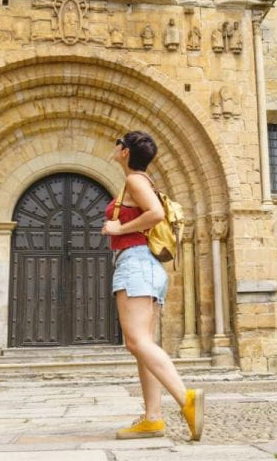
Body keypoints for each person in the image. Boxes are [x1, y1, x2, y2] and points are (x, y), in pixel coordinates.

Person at [102, 131, 204, 441]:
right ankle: (152, 418)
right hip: (147, 267)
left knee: (136, 342)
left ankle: (186, 398)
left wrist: (119, 227)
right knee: (142, 345)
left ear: (125, 152)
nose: (114, 146)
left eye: (117, 142)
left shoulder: (135, 180)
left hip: (135, 263)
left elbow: (156, 214)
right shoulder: (145, 182)